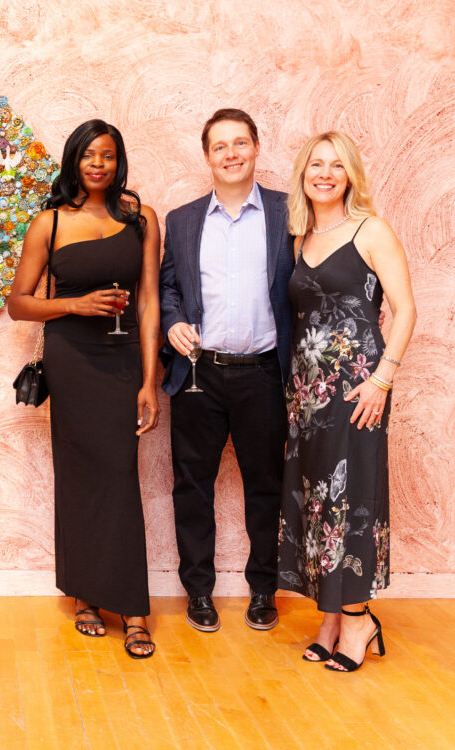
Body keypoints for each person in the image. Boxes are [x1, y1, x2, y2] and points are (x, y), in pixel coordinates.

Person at [8, 119, 161, 658]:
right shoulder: (48, 223)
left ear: (119, 163)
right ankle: (86, 599)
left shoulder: (142, 219)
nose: (99, 164)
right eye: (89, 155)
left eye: (109, 156)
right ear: (74, 160)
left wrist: (149, 380)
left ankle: (134, 606)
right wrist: (75, 303)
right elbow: (18, 303)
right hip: (71, 360)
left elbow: (148, 303)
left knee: (120, 473)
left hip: (121, 359)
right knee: (77, 475)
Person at [277, 131, 416, 672]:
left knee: (352, 498)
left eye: (338, 165)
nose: (326, 173)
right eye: (317, 164)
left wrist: (382, 380)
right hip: (308, 396)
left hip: (359, 389)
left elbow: (404, 311)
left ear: (351, 174)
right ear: (304, 174)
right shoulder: (300, 237)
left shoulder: (371, 230)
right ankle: (331, 615)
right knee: (318, 504)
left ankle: (359, 620)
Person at [159, 109, 295, 633]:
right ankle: (199, 593)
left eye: (240, 143)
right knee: (192, 487)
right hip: (198, 375)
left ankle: (264, 590)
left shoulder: (289, 212)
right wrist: (172, 322)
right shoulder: (183, 219)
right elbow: (170, 287)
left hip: (265, 372)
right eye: (220, 146)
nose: (231, 153)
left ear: (257, 148)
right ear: (208, 156)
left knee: (267, 486)